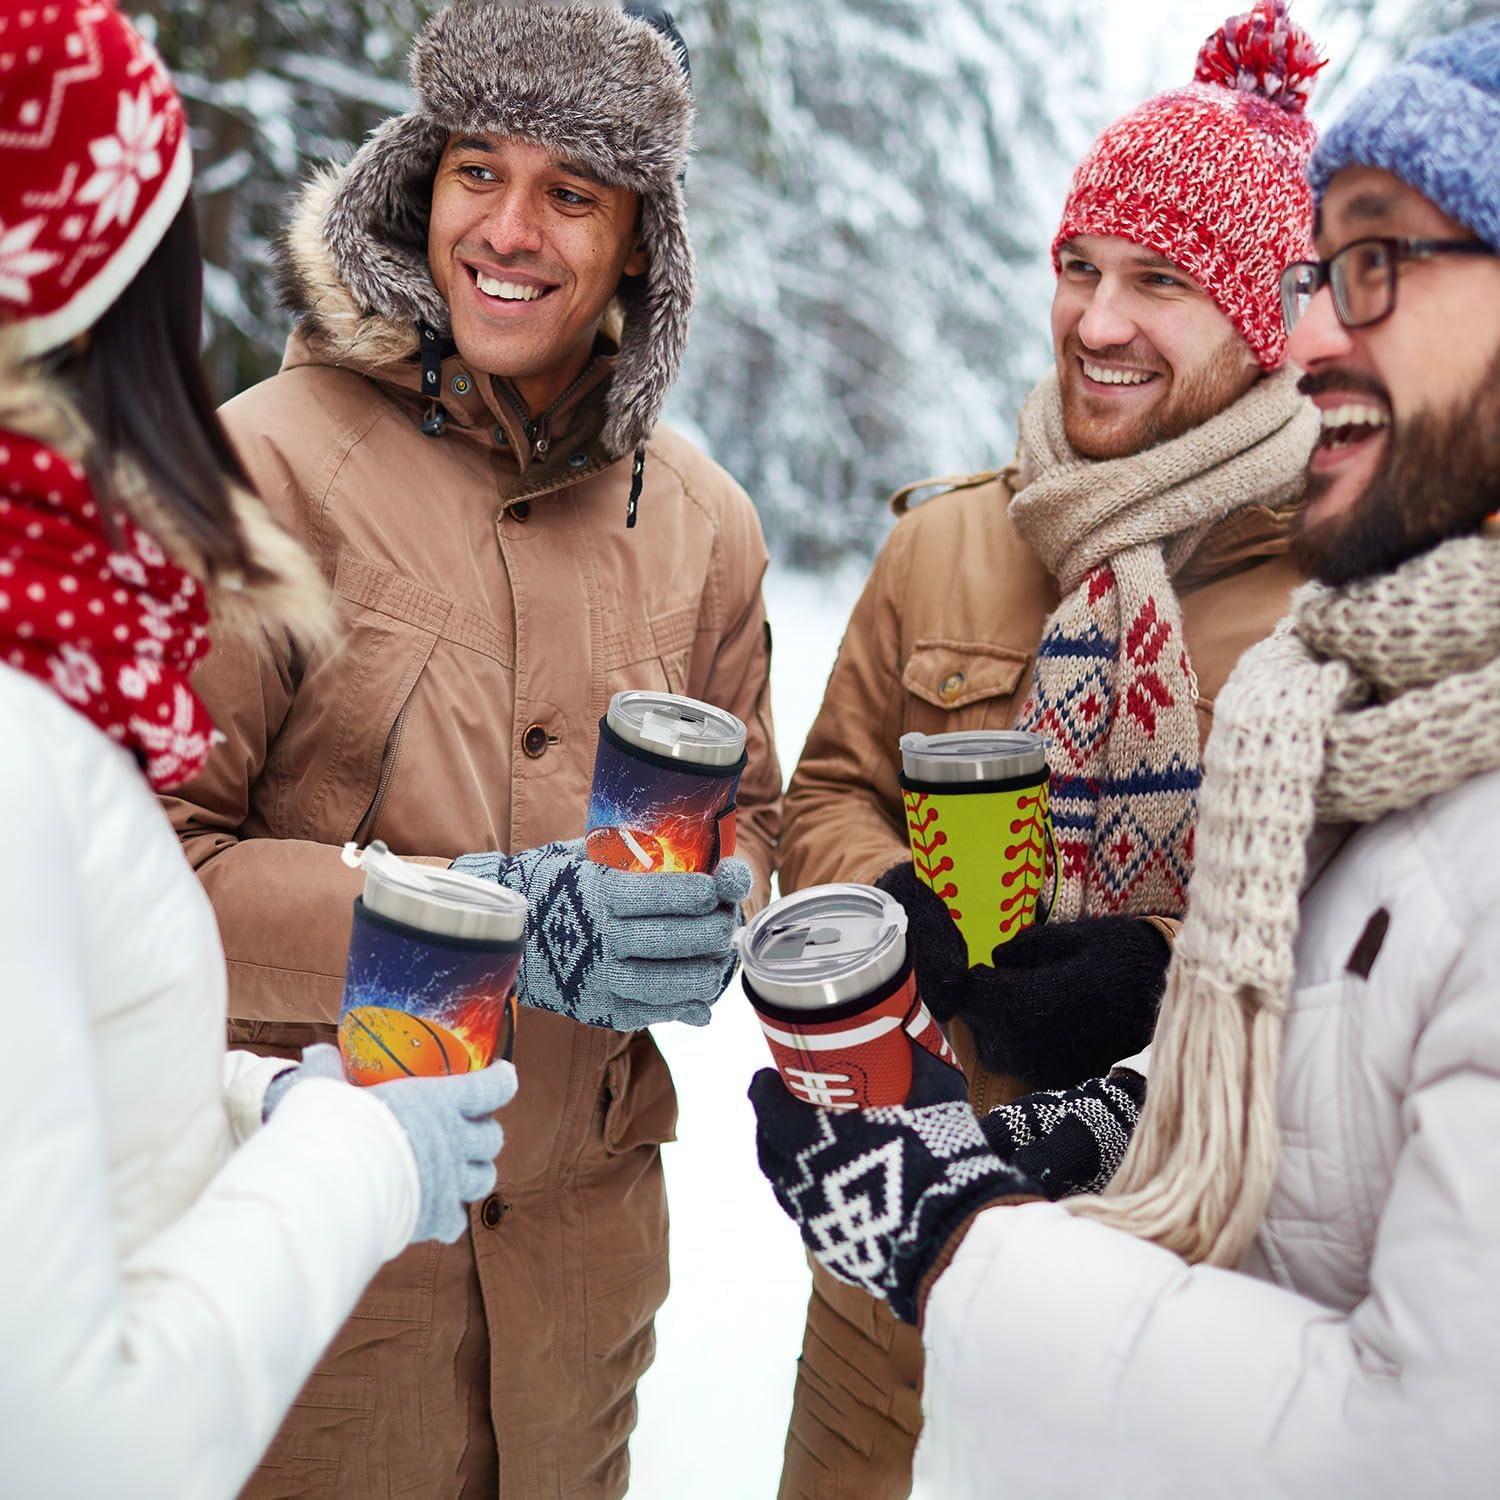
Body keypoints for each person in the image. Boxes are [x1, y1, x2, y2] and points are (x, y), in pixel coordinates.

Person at [753, 17, 1500, 1497]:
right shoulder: (954, 535)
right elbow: (832, 788)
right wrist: (889, 896)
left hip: (1180, 1286)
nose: (1099, 320)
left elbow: (1362, 957)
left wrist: (1154, 965)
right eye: (1080, 267)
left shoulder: (1352, 598)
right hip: (899, 1239)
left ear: (1262, 317)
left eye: (1161, 282)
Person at [160, 2, 781, 1493]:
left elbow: (751, 814)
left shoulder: (702, 524)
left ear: (642, 239)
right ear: (419, 179)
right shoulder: (260, 466)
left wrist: (708, 909)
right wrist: (499, 917)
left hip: (582, 1310)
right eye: (479, 172)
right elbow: (153, 876)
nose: (511, 230)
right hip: (327, 1301)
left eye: (573, 193)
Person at [0, 5, 516, 1495]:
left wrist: (266, 1102)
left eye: (579, 191)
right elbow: (73, 1444)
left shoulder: (64, 631)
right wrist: (361, 1159)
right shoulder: (28, 729)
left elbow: (68, 1075)